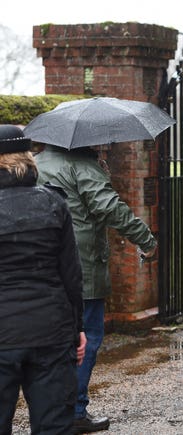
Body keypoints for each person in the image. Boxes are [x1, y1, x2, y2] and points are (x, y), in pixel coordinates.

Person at [35, 142, 157, 433]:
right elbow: (110, 208)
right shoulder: (83, 166)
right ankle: (74, 410)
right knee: (87, 337)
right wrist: (146, 240)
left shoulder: (35, 163)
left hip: (44, 268)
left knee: (51, 344)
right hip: (81, 268)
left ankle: (49, 411)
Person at [0, 125, 86, 434]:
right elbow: (71, 275)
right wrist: (78, 329)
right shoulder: (54, 203)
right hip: (51, 330)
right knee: (53, 426)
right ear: (28, 158)